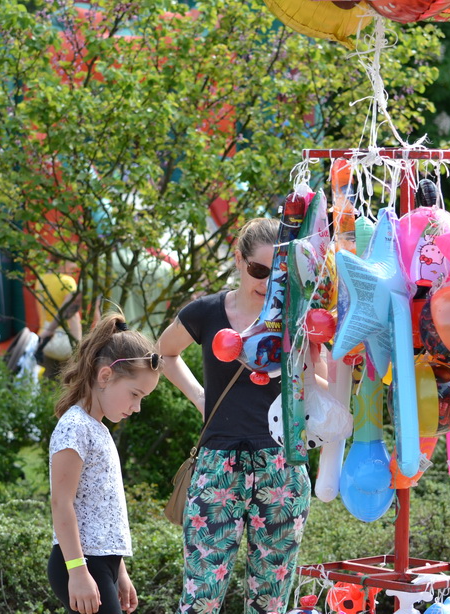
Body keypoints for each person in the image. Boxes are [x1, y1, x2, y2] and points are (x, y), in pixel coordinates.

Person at [157, 218, 312, 614]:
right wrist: (201, 398)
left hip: (281, 465)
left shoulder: (297, 316)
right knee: (201, 598)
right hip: (218, 465)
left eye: (278, 272)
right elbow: (164, 353)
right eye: (259, 269)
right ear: (239, 260)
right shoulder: (207, 312)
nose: (267, 281)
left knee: (270, 602)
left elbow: (320, 383)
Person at [47, 311, 162, 614]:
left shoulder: (98, 429)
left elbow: (104, 509)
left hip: (101, 563)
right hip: (81, 564)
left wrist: (119, 571)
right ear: (105, 376)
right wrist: (77, 571)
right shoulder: (74, 427)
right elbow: (61, 503)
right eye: (134, 394)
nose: (137, 407)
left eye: (142, 398)